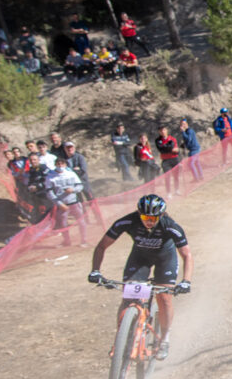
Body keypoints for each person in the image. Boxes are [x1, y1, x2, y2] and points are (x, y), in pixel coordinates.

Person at [89, 194, 192, 361]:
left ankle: (164, 339)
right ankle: (120, 340)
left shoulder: (171, 226)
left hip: (165, 259)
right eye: (145, 217)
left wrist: (186, 281)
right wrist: (95, 270)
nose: (149, 221)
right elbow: (102, 246)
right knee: (129, 297)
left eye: (153, 218)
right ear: (138, 213)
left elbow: (187, 255)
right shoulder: (128, 221)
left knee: (164, 297)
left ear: (161, 215)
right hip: (140, 258)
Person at [44, 152, 87, 245]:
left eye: (62, 164)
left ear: (65, 164)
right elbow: (49, 192)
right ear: (55, 164)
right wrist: (58, 203)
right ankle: (67, 241)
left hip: (74, 202)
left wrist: (73, 190)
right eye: (58, 164)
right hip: (62, 204)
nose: (60, 165)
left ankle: (84, 240)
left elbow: (80, 186)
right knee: (63, 224)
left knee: (81, 221)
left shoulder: (71, 174)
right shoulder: (50, 176)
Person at [155, 125, 181, 191]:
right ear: (159, 132)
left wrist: (167, 148)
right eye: (161, 131)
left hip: (174, 159)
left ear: (167, 130)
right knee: (167, 177)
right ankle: (168, 192)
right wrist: (170, 148)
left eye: (164, 130)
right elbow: (161, 150)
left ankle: (177, 189)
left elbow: (176, 150)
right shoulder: (158, 140)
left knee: (176, 176)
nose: (163, 132)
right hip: (165, 160)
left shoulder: (172, 139)